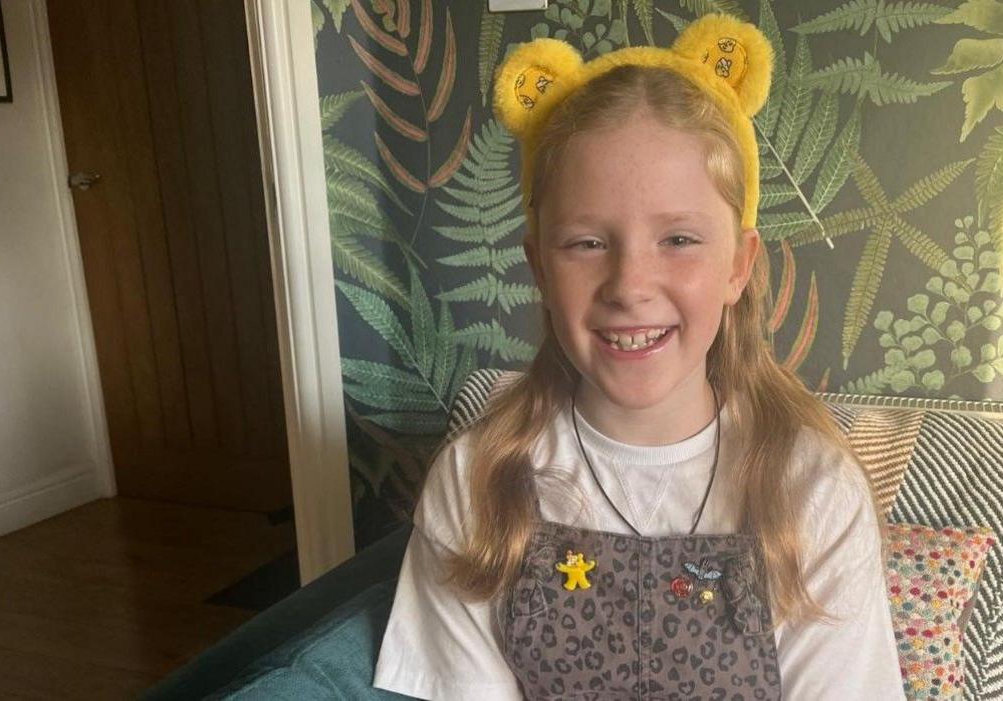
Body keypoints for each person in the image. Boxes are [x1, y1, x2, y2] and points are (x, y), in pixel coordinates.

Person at [373, 13, 904, 700]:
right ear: (538, 264)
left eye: (679, 239)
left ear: (738, 266)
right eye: (587, 243)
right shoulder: (478, 482)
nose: (629, 286)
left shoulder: (813, 490)